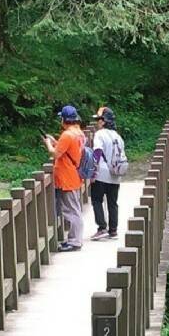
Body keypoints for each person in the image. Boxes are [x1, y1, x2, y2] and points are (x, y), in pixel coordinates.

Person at [43, 105, 87, 250]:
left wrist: (48, 143)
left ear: (64, 119)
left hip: (67, 177)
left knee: (72, 210)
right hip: (73, 175)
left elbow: (55, 154)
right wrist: (55, 141)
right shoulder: (78, 133)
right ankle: (74, 239)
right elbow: (67, 149)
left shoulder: (67, 135)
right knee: (74, 208)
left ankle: (75, 241)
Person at [89, 106, 128, 241]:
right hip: (115, 174)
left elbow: (97, 151)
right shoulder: (118, 137)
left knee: (96, 200)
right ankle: (113, 230)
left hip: (101, 173)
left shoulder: (100, 134)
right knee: (112, 202)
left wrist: (93, 171)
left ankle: (101, 227)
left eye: (99, 119)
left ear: (104, 121)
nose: (97, 122)